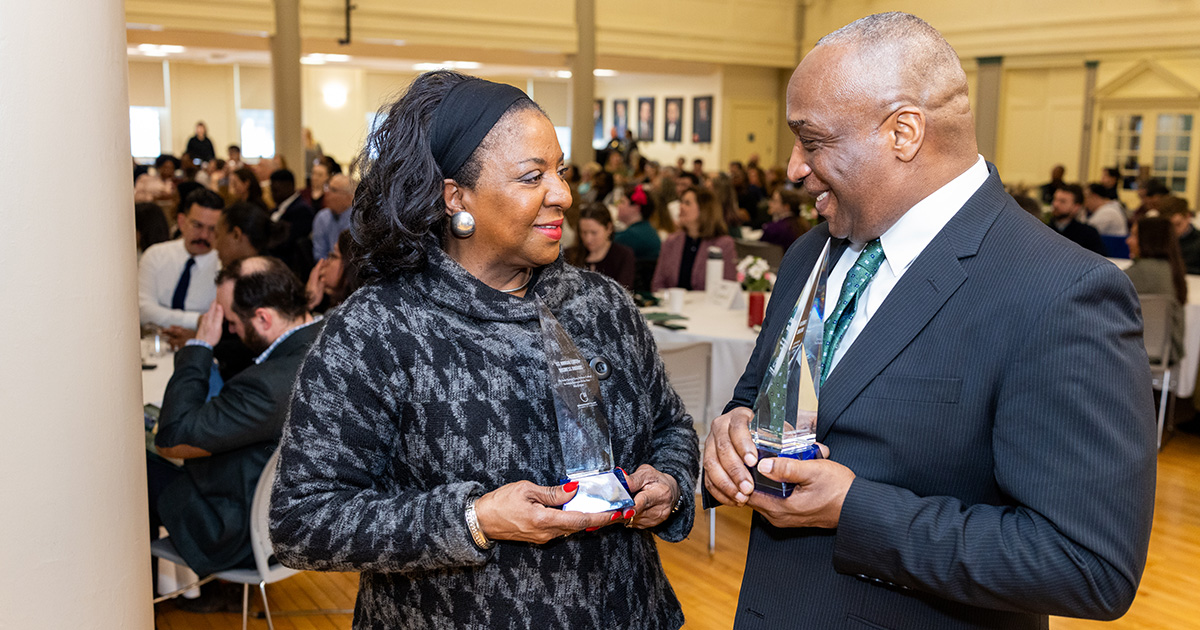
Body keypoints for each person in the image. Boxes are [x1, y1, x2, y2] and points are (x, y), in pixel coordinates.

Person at [703, 12, 1154, 629]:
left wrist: (856, 510)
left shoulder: (1060, 292)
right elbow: (761, 396)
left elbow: (1087, 567)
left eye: (812, 142)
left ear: (903, 132)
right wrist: (735, 426)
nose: (793, 168)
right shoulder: (812, 252)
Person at [269, 71, 698, 629]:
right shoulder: (378, 330)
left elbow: (672, 428)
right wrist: (474, 518)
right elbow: (302, 521)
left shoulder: (602, 305)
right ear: (456, 197)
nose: (563, 194)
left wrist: (668, 483)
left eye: (561, 172)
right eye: (532, 176)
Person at [151, 256, 320, 587]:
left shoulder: (269, 385)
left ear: (262, 317)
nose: (229, 330)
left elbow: (171, 437)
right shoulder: (330, 341)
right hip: (303, 517)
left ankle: (138, 603)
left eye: (231, 322)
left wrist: (200, 345)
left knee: (135, 467)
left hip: (241, 533)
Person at [138, 189, 223, 331]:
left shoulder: (223, 265)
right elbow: (143, 310)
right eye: (197, 225)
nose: (204, 235)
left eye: (212, 229)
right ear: (181, 221)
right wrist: (197, 320)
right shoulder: (156, 255)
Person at [651, 186, 737, 291]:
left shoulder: (723, 244)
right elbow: (657, 284)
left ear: (704, 209)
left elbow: (728, 287)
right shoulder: (671, 242)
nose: (680, 207)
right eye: (681, 202)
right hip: (672, 305)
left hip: (707, 306)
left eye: (687, 203)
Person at [1125, 216, 1186, 361]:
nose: (1128, 240)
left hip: (1133, 351)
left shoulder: (1138, 273)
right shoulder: (1172, 269)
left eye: (1134, 235)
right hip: (1165, 351)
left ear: (1148, 240)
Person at [567, 203, 636, 289]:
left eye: (594, 233)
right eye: (584, 232)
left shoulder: (623, 255)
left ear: (609, 228)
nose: (588, 239)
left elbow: (623, 292)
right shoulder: (569, 255)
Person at [268, 169, 316, 278]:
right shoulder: (277, 208)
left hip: (287, 267)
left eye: (276, 191)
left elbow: (287, 243)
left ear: (288, 186)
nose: (272, 195)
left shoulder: (302, 210)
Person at [615, 184, 663, 292]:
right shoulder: (647, 230)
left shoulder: (631, 236)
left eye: (622, 202)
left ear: (636, 208)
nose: (618, 206)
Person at [305, 229, 361, 313]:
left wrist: (309, 302)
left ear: (350, 265)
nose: (324, 263)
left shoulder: (338, 316)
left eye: (333, 256)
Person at [1050, 184, 1107, 255]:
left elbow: (1100, 260)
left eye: (1062, 201)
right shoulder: (1043, 230)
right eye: (1055, 199)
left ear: (1076, 207)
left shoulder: (1088, 234)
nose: (1055, 204)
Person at [311, 173, 354, 260]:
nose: (327, 193)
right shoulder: (322, 218)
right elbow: (319, 255)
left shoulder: (359, 220)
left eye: (333, 190)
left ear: (349, 197)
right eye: (327, 187)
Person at [1159, 195, 1200, 274]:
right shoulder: (1157, 239)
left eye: (1178, 224)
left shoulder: (1198, 242)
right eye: (1168, 226)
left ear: (1188, 217)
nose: (1173, 230)